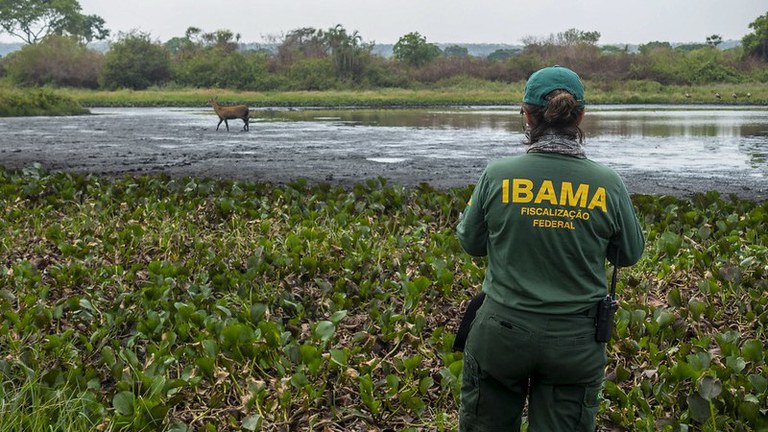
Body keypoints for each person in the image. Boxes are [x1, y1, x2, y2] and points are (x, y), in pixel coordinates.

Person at [456, 65, 645, 431]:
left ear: (526, 115)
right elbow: (630, 253)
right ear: (581, 116)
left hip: (501, 335)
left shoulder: (497, 174)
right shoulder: (608, 183)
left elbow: (471, 242)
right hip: (575, 342)